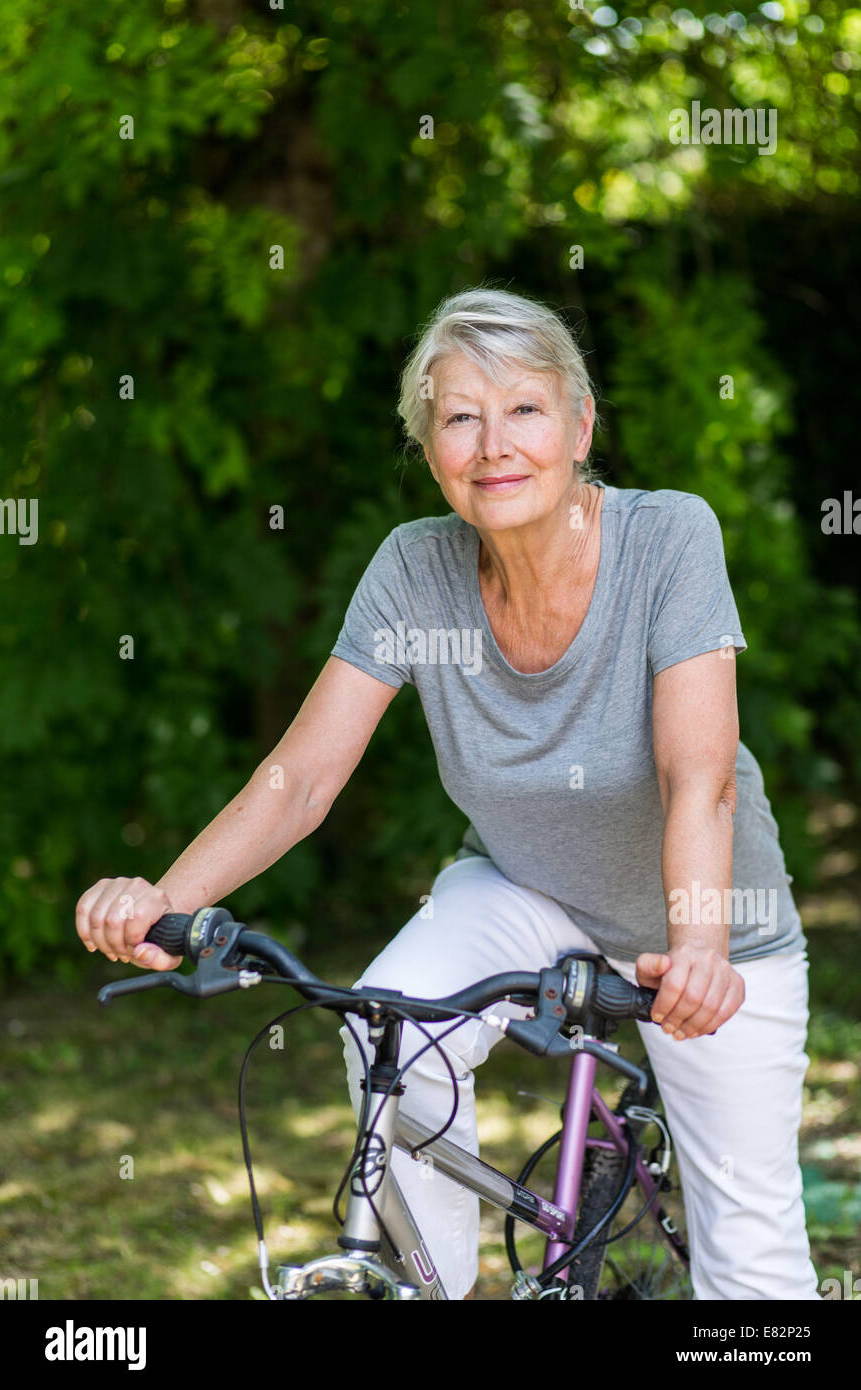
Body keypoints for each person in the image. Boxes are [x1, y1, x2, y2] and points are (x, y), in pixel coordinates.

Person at [75, 286, 820, 1303]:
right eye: (458, 416)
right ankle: (440, 1290)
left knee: (753, 1268)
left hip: (701, 926)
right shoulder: (412, 570)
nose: (491, 444)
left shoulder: (666, 540)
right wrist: (166, 902)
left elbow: (700, 779)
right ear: (427, 446)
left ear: (578, 425)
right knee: (388, 1026)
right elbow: (299, 780)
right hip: (522, 888)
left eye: (523, 409)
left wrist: (695, 949)